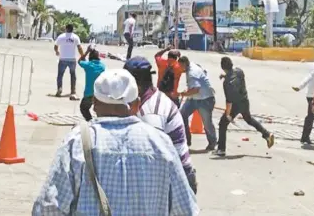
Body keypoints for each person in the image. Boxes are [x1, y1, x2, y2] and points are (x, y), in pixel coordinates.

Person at [32, 69, 198, 215]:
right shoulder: (162, 144)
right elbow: (185, 210)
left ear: (95, 104)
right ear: (137, 105)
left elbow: (48, 208)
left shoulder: (76, 142)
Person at [124, 56, 198, 194]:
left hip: (176, 179)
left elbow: (152, 157)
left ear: (135, 83)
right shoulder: (149, 98)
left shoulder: (152, 113)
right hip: (170, 172)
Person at [213, 57, 275, 156]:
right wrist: (226, 75)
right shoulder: (239, 71)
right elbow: (234, 77)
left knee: (223, 123)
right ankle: (267, 134)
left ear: (222, 67)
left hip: (235, 105)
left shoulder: (227, 83)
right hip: (245, 101)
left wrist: (228, 115)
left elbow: (229, 102)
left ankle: (221, 149)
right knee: (248, 119)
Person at [177, 56, 217, 150]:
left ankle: (212, 143)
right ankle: (187, 139)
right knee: (182, 114)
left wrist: (184, 93)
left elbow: (196, 89)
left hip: (205, 99)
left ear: (185, 64)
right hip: (194, 99)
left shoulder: (191, 73)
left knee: (207, 123)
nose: (180, 69)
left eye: (180, 66)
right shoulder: (192, 65)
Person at [54, 23, 84, 100]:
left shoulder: (61, 36)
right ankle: (73, 91)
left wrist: (57, 51)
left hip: (63, 59)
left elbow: (56, 45)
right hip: (72, 59)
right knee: (73, 75)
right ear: (72, 29)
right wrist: (82, 56)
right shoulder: (75, 37)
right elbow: (79, 47)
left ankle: (59, 88)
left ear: (66, 29)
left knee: (60, 75)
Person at [77, 45, 106, 121]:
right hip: (100, 93)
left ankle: (90, 121)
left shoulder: (88, 65)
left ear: (90, 57)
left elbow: (79, 61)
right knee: (100, 110)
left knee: (83, 108)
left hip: (89, 94)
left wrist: (86, 51)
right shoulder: (103, 66)